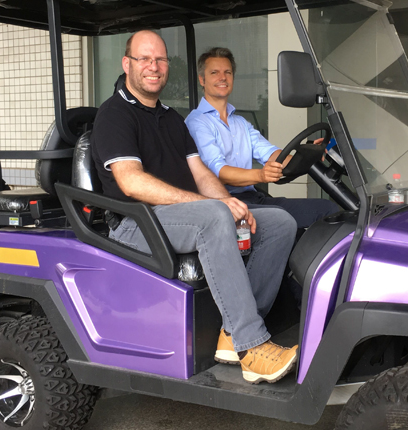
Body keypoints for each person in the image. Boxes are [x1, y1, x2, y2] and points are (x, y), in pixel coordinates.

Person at [90, 30, 298, 384]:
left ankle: (233, 334)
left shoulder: (171, 118)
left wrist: (228, 201)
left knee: (280, 222)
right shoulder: (114, 114)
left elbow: (201, 173)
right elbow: (131, 182)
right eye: (144, 59)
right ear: (127, 64)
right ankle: (252, 347)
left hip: (177, 217)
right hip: (135, 222)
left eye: (160, 59)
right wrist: (213, 207)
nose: (154, 66)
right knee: (213, 217)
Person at [185, 47, 339, 229]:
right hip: (224, 204)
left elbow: (272, 155)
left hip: (253, 198)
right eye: (214, 73)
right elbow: (218, 172)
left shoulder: (240, 122)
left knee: (328, 210)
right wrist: (260, 175)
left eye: (227, 72)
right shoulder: (197, 122)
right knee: (282, 220)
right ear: (202, 80)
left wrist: (308, 155)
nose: (222, 77)